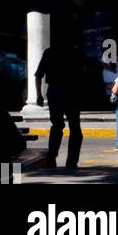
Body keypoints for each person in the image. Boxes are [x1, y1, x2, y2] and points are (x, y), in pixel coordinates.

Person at [35, 36, 86, 172]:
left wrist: (39, 95)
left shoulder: (49, 52)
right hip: (72, 94)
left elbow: (38, 75)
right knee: (75, 128)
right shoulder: (75, 53)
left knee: (57, 126)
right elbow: (84, 73)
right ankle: (71, 162)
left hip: (54, 93)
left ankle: (51, 159)